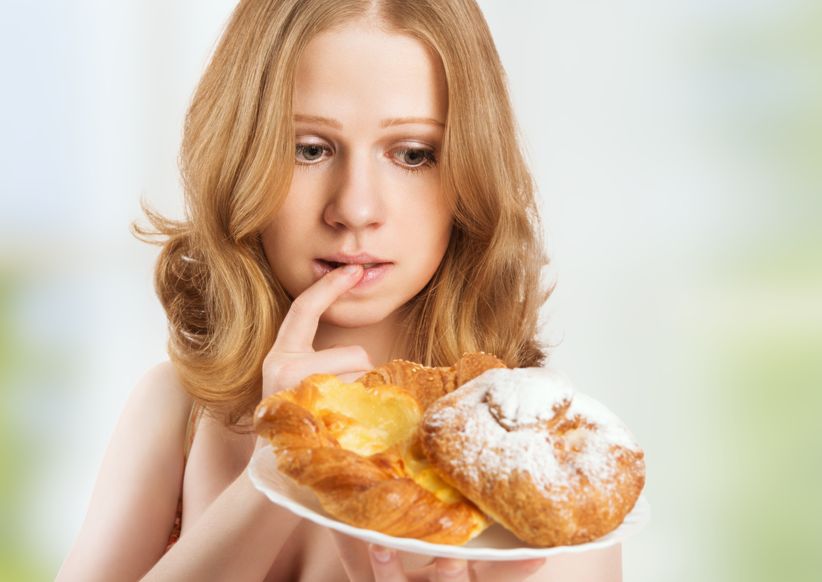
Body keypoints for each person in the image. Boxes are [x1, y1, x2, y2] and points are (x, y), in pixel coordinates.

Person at [56, 0, 622, 580]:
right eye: (310, 149)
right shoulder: (177, 410)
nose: (355, 208)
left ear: (471, 173)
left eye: (412, 154)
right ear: (240, 159)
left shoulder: (541, 451)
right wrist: (276, 472)